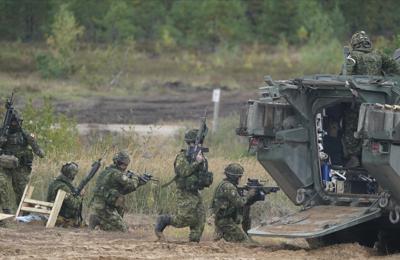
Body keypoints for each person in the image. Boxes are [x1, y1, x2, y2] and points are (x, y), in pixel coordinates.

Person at [155, 129, 213, 242]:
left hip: (195, 192)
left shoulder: (199, 156)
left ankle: (194, 241)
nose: (200, 145)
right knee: (184, 219)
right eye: (197, 142)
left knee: (200, 217)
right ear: (190, 143)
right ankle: (164, 220)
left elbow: (203, 174)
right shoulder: (182, 156)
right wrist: (196, 162)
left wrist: (202, 163)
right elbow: (183, 172)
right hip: (184, 192)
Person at [88, 151, 150, 232]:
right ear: (121, 163)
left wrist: (140, 182)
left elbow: (123, 191)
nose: (125, 167)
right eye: (125, 164)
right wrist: (135, 177)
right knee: (122, 231)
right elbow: (132, 184)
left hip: (98, 206)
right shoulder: (117, 174)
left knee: (119, 199)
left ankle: (98, 220)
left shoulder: (106, 171)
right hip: (105, 209)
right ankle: (101, 221)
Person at [0, 110, 44, 207]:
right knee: (1, 186)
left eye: (17, 122)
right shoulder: (3, 133)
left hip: (20, 168)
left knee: (22, 191)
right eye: (13, 122)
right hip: (4, 167)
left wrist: (40, 152)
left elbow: (37, 149)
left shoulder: (25, 134)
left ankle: (23, 215)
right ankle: (6, 211)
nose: (15, 124)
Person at [211, 163, 256, 243]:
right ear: (234, 177)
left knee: (232, 241)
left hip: (222, 219)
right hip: (225, 221)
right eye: (239, 176)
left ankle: (221, 234)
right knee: (245, 242)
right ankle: (221, 233)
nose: (240, 178)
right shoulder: (229, 187)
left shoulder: (224, 184)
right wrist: (249, 195)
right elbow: (240, 203)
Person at [47, 162, 83, 227]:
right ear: (71, 175)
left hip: (51, 211)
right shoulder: (64, 187)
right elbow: (74, 205)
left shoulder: (54, 182)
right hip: (60, 216)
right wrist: (80, 196)